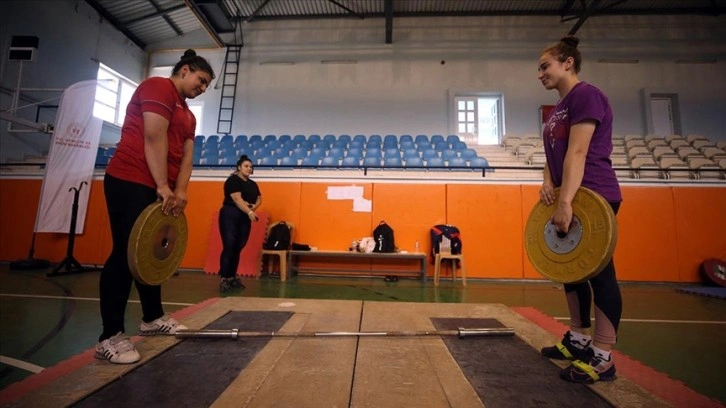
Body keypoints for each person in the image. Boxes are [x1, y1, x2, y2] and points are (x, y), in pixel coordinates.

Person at [97, 49, 214, 364]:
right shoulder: (158, 87)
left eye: (207, 86)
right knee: (124, 253)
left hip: (160, 187)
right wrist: (163, 185)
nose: (202, 88)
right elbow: (153, 136)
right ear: (185, 70)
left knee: (149, 256)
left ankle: (152, 318)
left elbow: (187, 154)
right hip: (130, 178)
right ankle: (109, 336)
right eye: (201, 81)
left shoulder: (188, 115)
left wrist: (180, 190)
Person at [536, 36, 623, 384]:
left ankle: (602, 357)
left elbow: (577, 153)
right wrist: (547, 182)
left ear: (567, 62)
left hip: (594, 195)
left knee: (600, 274)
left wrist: (566, 201)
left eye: (545, 66)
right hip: (570, 193)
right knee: (571, 270)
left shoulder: (586, 95)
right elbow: (553, 153)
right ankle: (578, 340)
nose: (539, 74)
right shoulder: (558, 108)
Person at [218, 154, 262, 292]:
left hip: (244, 216)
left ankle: (232, 277)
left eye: (251, 167)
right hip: (230, 214)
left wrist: (252, 208)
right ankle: (224, 278)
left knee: (239, 246)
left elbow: (259, 198)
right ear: (239, 167)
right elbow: (237, 199)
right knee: (229, 245)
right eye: (246, 166)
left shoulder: (253, 184)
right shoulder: (233, 180)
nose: (249, 169)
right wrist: (249, 212)